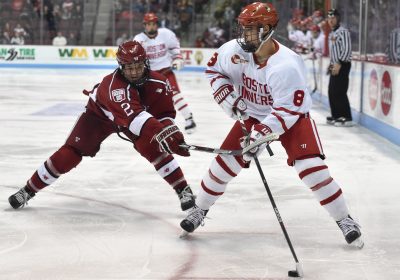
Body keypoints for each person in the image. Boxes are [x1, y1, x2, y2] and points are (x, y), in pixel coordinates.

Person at [180, 2, 363, 248]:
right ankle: (199, 210)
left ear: (267, 29)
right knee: (223, 164)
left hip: (292, 117)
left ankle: (345, 219)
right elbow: (214, 71)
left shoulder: (286, 65)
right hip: (253, 114)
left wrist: (262, 134)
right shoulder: (233, 51)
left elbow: (287, 110)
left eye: (251, 29)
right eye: (243, 28)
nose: (244, 35)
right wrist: (226, 95)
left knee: (312, 168)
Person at [8, 41, 195, 212]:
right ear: (121, 67)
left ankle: (182, 189)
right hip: (99, 115)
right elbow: (136, 118)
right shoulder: (114, 87)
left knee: (154, 147)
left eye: (138, 66)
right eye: (129, 68)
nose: (134, 72)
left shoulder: (160, 83)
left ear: (145, 63)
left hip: (133, 119)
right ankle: (28, 190)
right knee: (70, 154)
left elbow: (164, 115)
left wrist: (171, 131)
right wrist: (162, 133)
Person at [133, 12, 197, 134]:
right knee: (149, 102)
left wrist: (177, 58)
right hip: (149, 76)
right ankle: (151, 126)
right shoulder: (139, 39)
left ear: (156, 24)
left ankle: (189, 119)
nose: (151, 26)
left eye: (153, 24)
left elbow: (174, 48)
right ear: (144, 25)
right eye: (148, 24)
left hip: (166, 72)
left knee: (175, 94)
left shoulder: (166, 34)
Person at [326, 9, 353, 126]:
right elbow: (334, 52)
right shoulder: (332, 33)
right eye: (329, 18)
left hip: (343, 64)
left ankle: (346, 117)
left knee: (340, 91)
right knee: (331, 91)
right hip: (335, 64)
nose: (331, 21)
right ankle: (336, 115)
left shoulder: (343, 32)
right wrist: (331, 64)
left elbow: (347, 49)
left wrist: (339, 63)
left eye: (333, 18)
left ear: (338, 19)